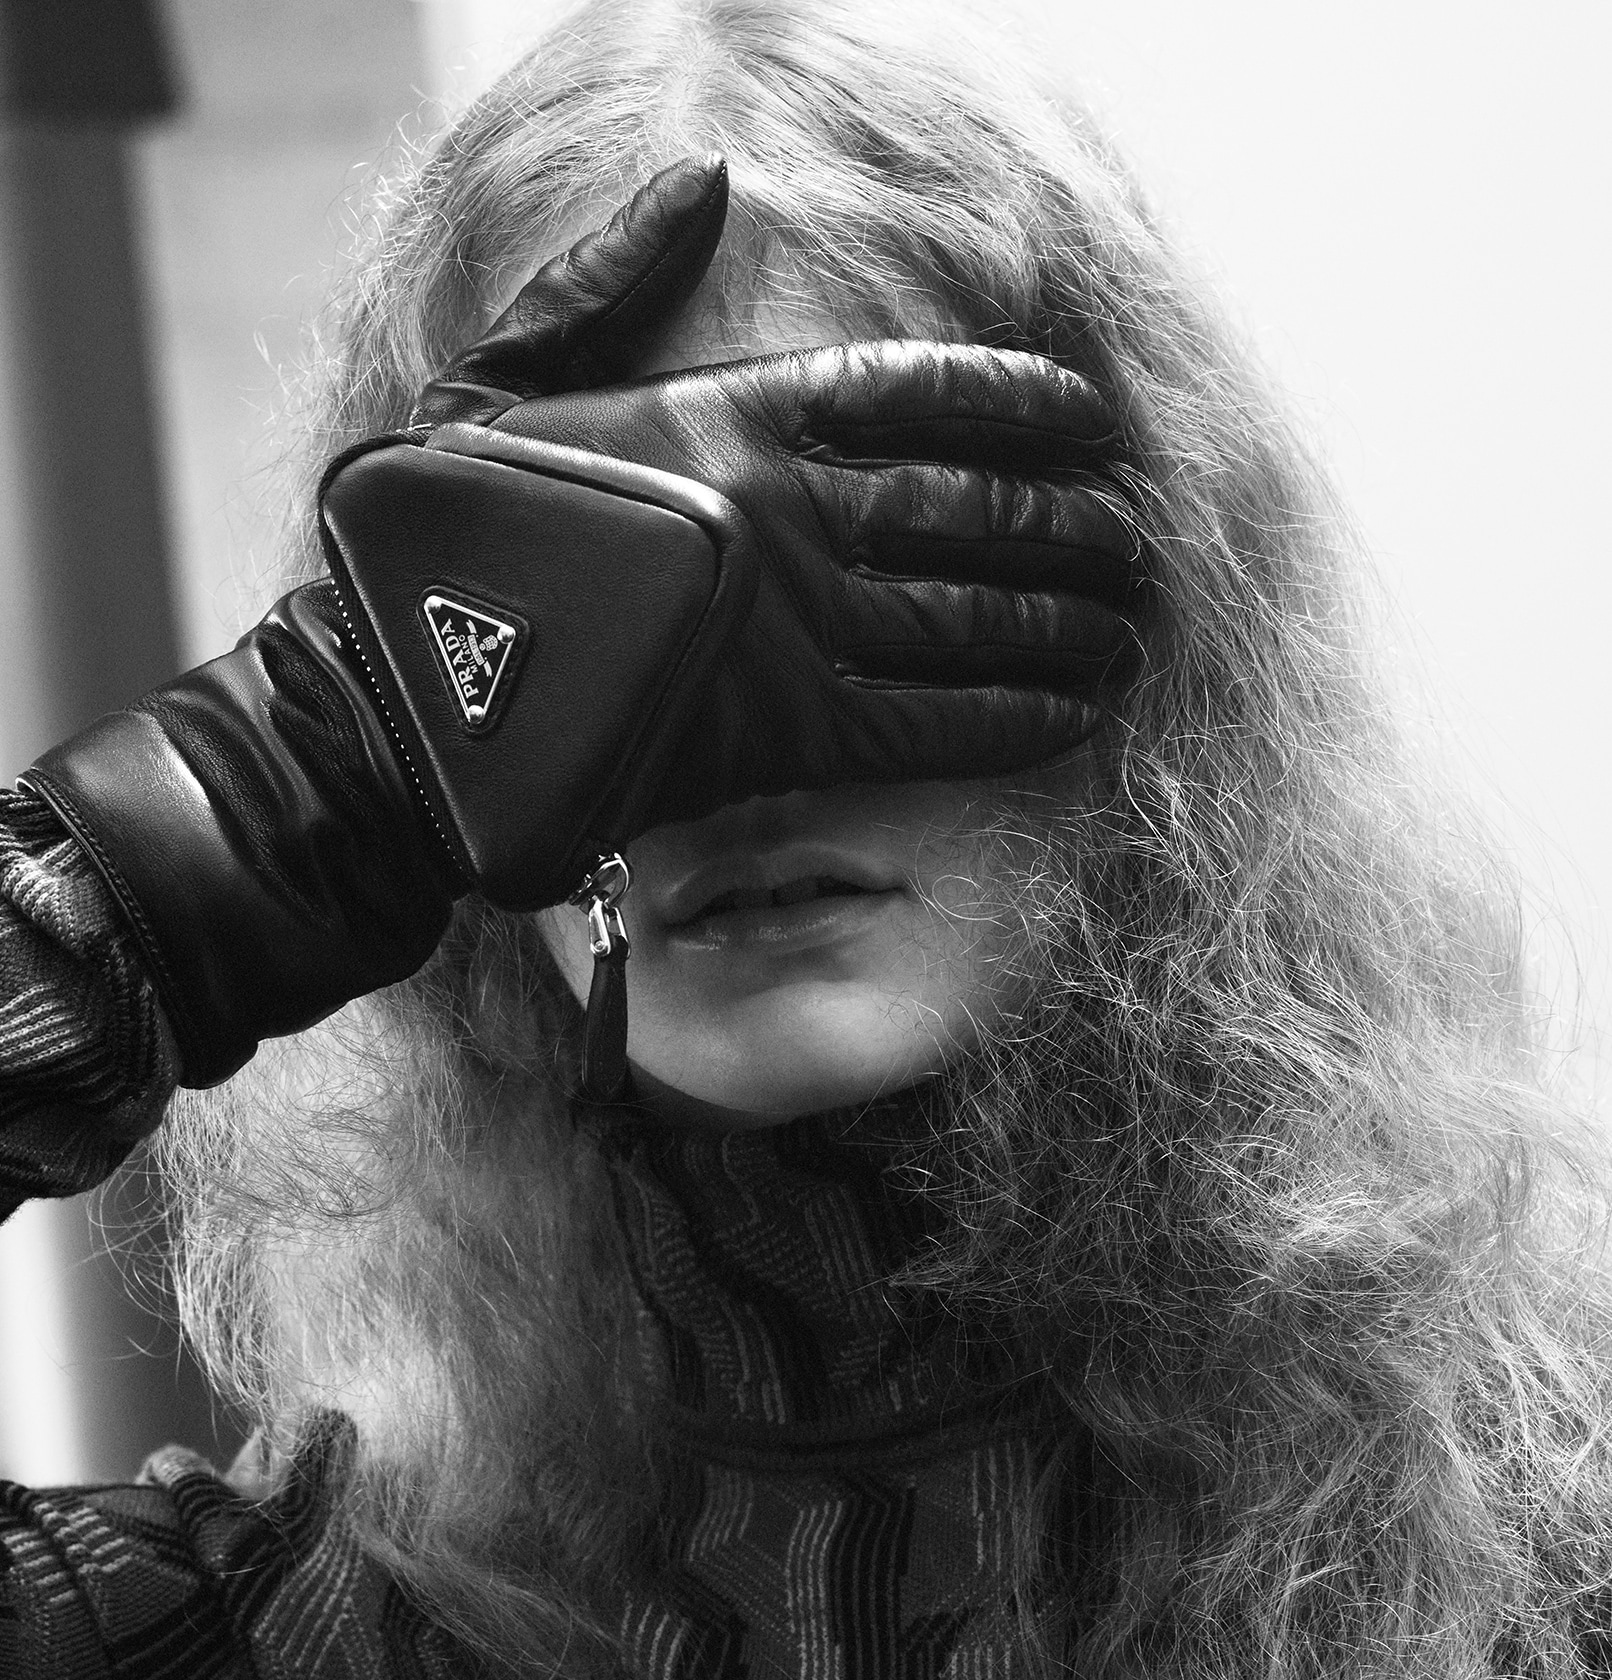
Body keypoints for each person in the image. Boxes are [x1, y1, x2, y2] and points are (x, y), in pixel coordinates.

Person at [3, 1, 1611, 1677]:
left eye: (869, 561)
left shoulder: (1558, 1547)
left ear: (1161, 641)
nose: (734, 763)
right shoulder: (317, 1630)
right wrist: (254, 807)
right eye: (597, 603)